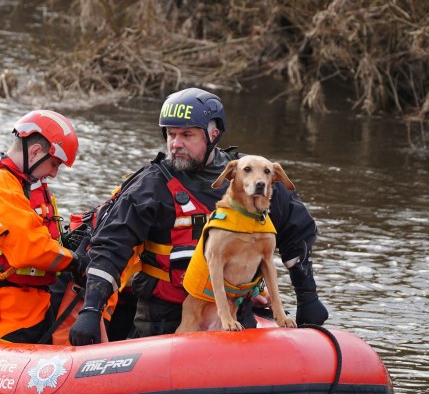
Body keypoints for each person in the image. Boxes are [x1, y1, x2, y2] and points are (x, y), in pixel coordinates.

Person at [69, 87, 328, 345]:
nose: (175, 144)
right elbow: (111, 247)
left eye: (186, 135)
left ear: (213, 134)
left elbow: (296, 233)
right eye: (171, 135)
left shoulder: (252, 174)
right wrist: (91, 310)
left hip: (236, 312)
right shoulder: (150, 186)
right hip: (164, 316)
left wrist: (308, 297)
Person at [0, 110, 88, 343]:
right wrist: (76, 261)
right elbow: (30, 248)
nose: (54, 173)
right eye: (54, 164)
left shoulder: (24, 185)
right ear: (35, 152)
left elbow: (43, 238)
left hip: (31, 303)